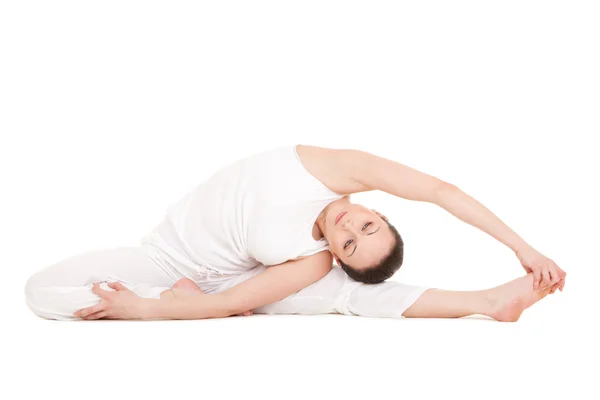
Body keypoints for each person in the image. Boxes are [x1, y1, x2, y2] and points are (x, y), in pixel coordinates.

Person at [24, 144, 566, 321]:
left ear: (337, 252)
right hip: (165, 260)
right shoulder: (332, 170)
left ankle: (490, 300)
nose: (349, 226)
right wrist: (525, 248)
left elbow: (228, 302)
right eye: (367, 223)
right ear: (378, 210)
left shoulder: (314, 261)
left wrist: (148, 312)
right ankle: (164, 297)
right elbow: (441, 190)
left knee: (345, 295)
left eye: (350, 244)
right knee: (39, 291)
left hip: (227, 287)